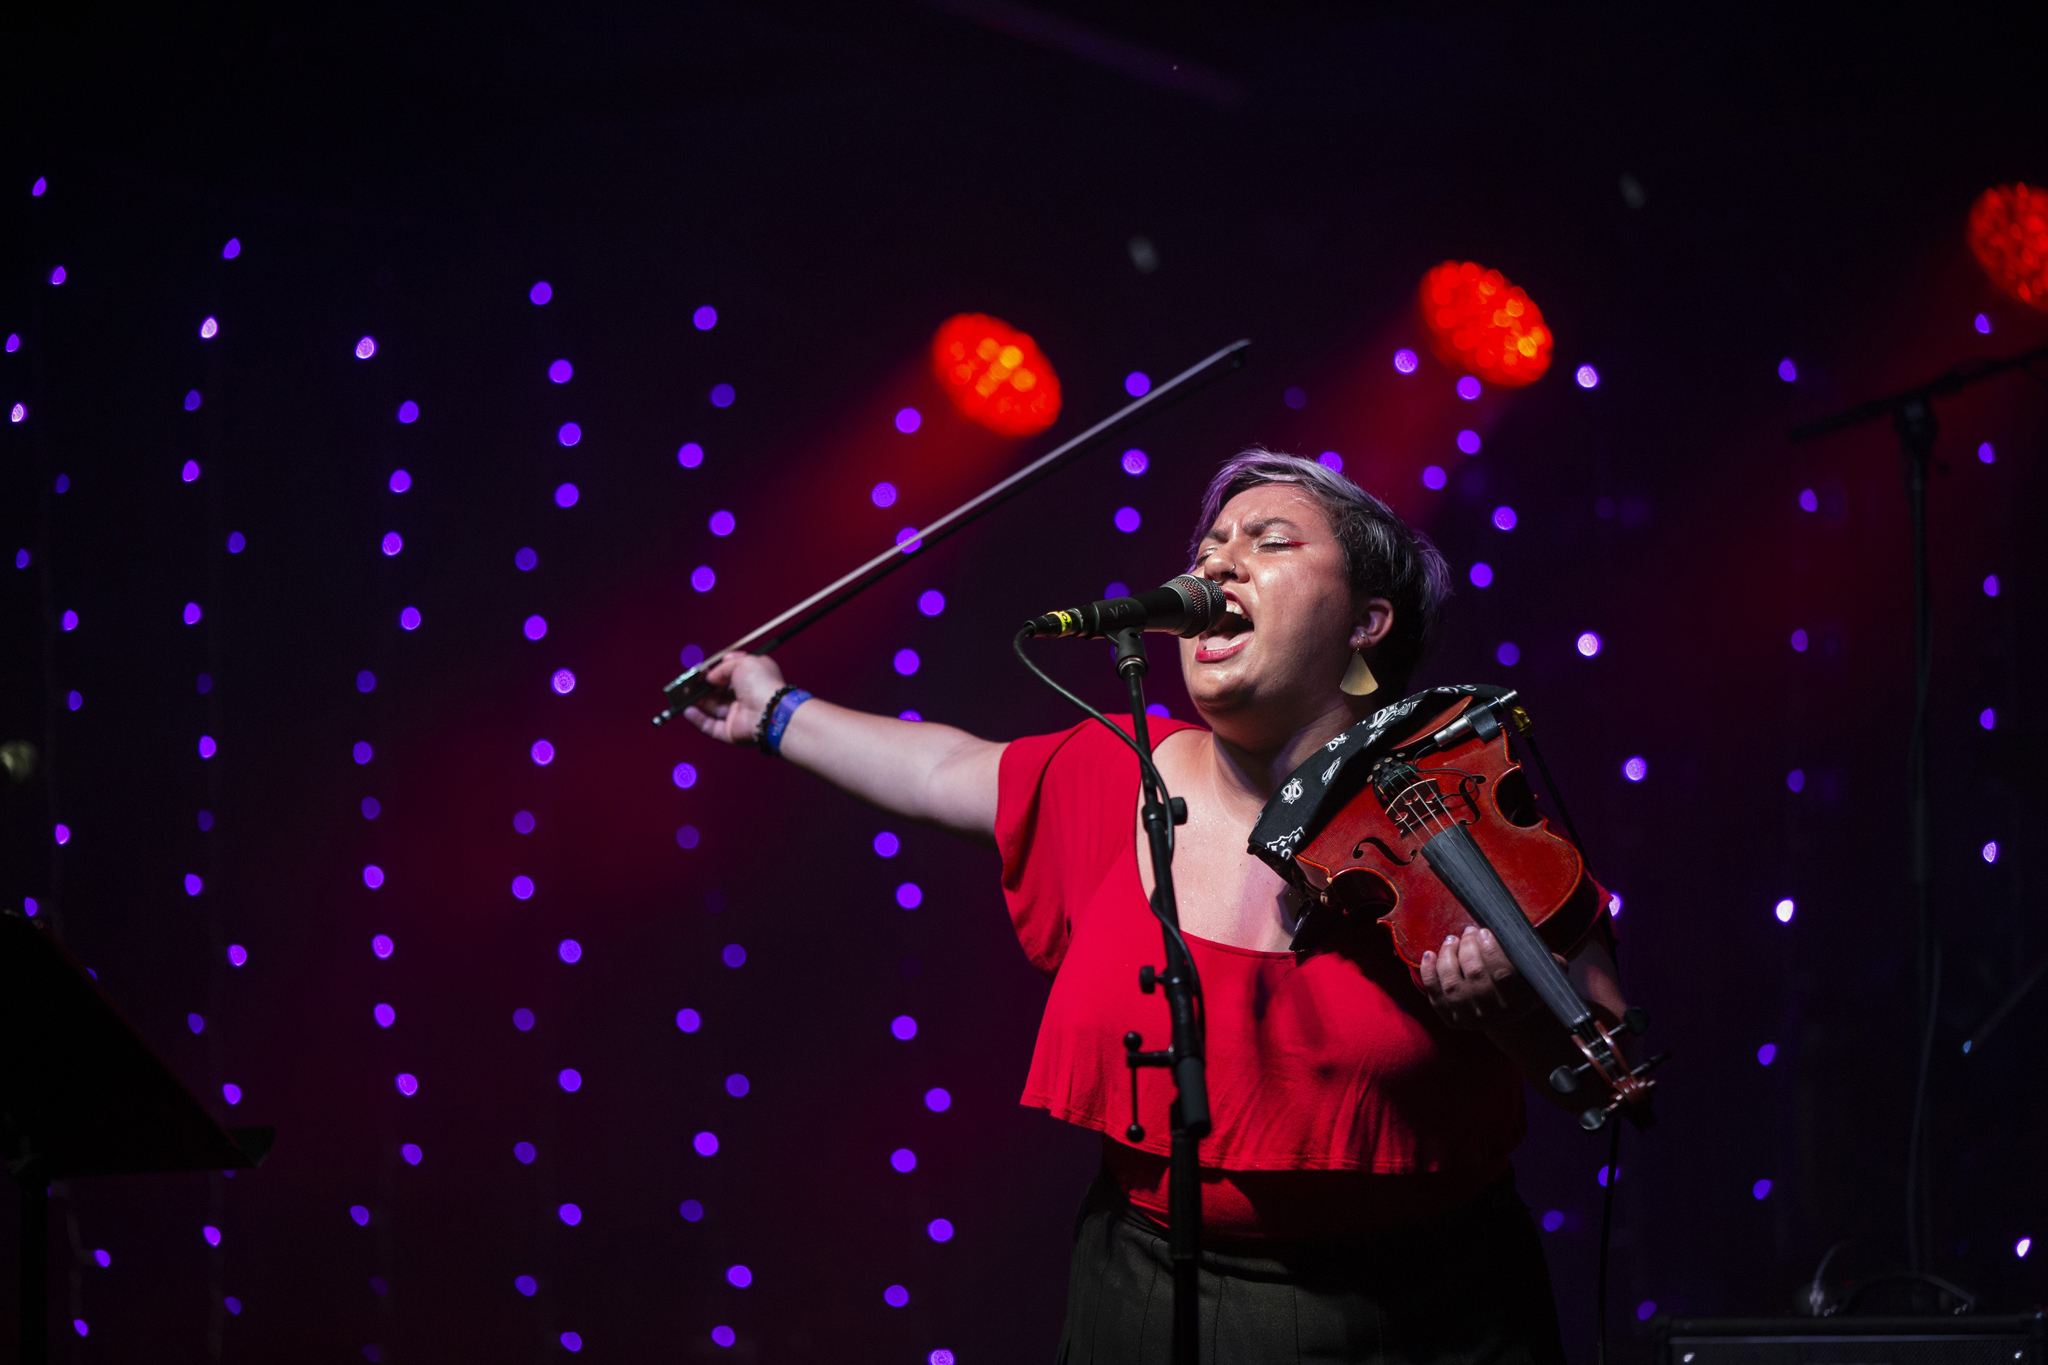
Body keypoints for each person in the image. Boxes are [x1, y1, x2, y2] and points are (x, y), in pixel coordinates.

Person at [683, 449, 1626, 1364]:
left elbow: (1604, 1073)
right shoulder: (1116, 769)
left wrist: (1511, 1015)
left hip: (1420, 1313)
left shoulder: (1455, 806)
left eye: (1269, 540)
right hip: (1142, 1289)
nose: (1217, 563)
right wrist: (772, 711)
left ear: (1367, 621)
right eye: (1210, 544)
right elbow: (942, 767)